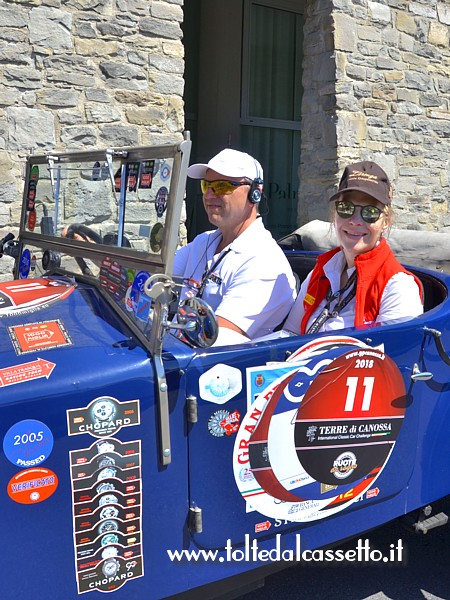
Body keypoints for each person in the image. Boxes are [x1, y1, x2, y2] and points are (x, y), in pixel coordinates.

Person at [174, 148, 297, 345]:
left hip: (208, 367)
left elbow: (210, 339)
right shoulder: (203, 242)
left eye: (222, 186)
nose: (210, 195)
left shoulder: (264, 262)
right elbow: (156, 273)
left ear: (255, 193)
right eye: (207, 185)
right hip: (173, 353)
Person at [284, 161, 423, 334]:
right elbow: (290, 334)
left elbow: (390, 355)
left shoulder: (398, 287)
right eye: (346, 208)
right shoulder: (321, 271)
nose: (355, 221)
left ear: (385, 222)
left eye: (370, 212)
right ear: (334, 215)